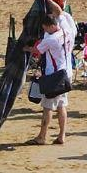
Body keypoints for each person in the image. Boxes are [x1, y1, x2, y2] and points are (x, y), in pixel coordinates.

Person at [32, 13, 72, 145]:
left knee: (47, 107)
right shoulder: (65, 31)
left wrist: (25, 48)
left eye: (45, 28)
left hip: (52, 76)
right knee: (61, 106)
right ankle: (62, 135)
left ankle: (42, 136)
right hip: (63, 73)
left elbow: (36, 50)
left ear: (50, 26)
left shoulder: (50, 40)